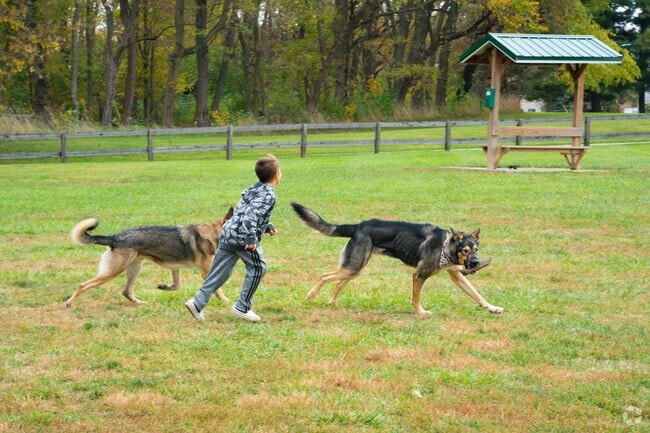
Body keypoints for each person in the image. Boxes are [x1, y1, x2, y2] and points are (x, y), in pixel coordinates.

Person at [185, 155, 281, 322]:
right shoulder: (269, 194)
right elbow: (251, 215)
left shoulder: (254, 189)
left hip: (228, 233)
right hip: (242, 237)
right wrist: (251, 237)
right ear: (276, 175)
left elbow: (245, 213)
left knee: (219, 271)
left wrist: (267, 226)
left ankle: (197, 302)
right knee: (259, 268)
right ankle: (242, 307)